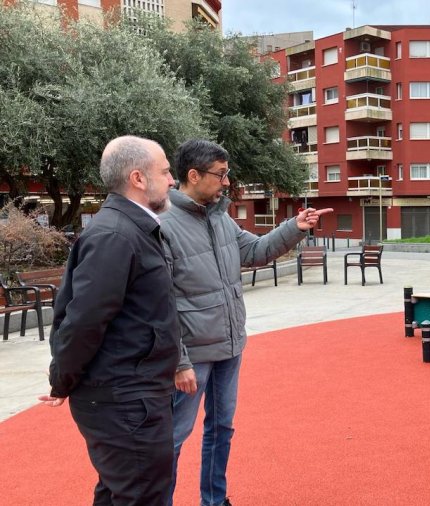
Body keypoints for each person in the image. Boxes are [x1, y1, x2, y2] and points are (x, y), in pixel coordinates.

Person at [161, 139, 331, 506]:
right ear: (193, 175)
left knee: (222, 428)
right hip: (192, 356)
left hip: (230, 344)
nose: (226, 183)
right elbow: (159, 304)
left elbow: (255, 251)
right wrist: (179, 360)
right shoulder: (163, 226)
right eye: (220, 175)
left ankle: (214, 500)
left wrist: (295, 227)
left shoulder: (220, 218)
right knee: (172, 437)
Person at [38, 136, 180, 505]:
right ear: (138, 178)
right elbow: (83, 320)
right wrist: (61, 380)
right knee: (141, 496)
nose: (172, 180)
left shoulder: (131, 229)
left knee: (121, 494)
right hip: (125, 401)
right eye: (165, 172)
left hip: (132, 396)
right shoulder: (117, 234)